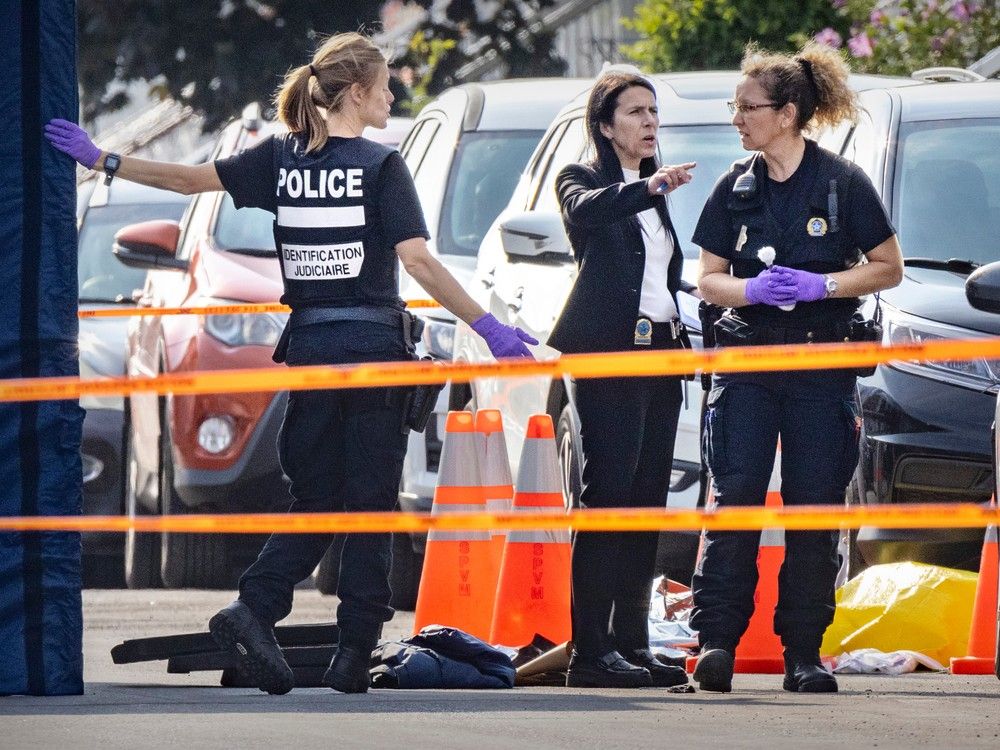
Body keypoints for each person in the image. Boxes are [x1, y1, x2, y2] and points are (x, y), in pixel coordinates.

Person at [46, 32, 537, 696]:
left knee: (317, 500)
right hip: (373, 358)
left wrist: (104, 160)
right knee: (369, 509)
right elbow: (417, 260)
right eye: (385, 86)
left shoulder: (281, 159)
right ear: (356, 92)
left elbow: (188, 181)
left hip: (308, 354)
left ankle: (254, 609)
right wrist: (488, 326)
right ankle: (352, 654)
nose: (392, 96)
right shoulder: (380, 166)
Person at [689, 42, 903, 694]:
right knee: (735, 504)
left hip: (820, 365)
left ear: (786, 114)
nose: (737, 119)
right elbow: (708, 279)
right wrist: (751, 291)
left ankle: (803, 652)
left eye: (747, 108)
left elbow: (888, 266)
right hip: (748, 363)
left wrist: (823, 285)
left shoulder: (842, 184)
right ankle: (716, 645)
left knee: (813, 508)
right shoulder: (735, 187)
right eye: (735, 108)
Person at [549, 70, 697, 689]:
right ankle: (590, 650)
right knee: (608, 498)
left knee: (645, 502)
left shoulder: (653, 192)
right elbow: (586, 212)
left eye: (653, 112)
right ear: (606, 126)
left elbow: (658, 277)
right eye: (635, 112)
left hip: (662, 355)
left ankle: (633, 644)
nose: (649, 122)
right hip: (608, 355)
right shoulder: (582, 180)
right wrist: (648, 185)